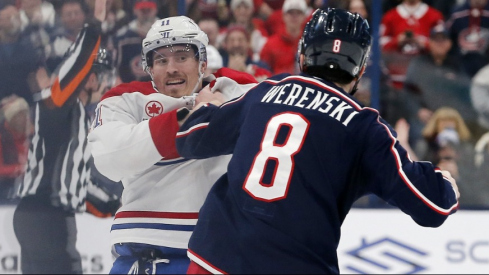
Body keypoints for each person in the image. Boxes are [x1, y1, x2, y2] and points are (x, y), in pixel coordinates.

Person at [175, 8, 460, 274]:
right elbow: (433, 206)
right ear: (360, 69)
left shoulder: (266, 92)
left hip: (218, 257)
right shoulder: (365, 127)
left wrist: (207, 105)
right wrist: (446, 181)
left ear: (303, 55)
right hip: (297, 264)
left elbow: (189, 139)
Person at [87, 15, 257, 274]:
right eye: (161, 60)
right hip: (143, 257)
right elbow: (109, 158)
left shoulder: (237, 90)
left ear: (202, 62)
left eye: (181, 57)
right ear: (150, 68)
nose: (171, 68)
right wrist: (190, 118)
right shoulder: (125, 99)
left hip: (217, 256)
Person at [12, 0, 118, 273]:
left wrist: (122, 205)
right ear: (92, 79)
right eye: (104, 77)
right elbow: (79, 63)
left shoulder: (79, 119)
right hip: (45, 215)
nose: (108, 84)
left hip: (45, 215)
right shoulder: (57, 103)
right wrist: (94, 26)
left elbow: (80, 187)